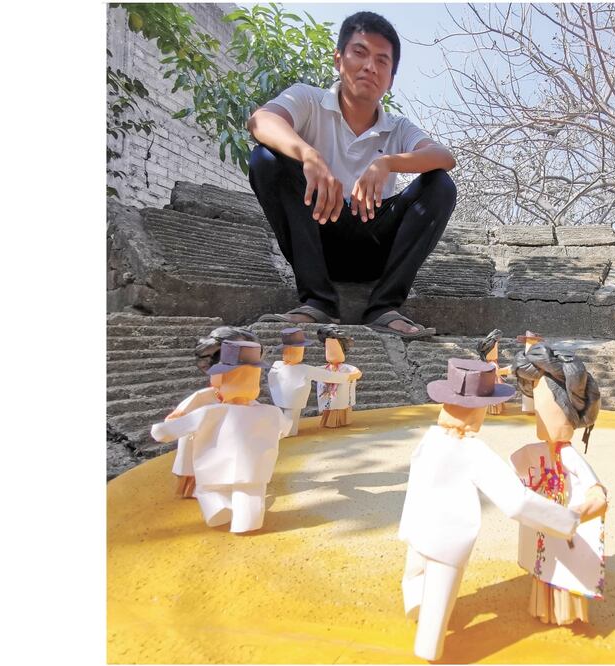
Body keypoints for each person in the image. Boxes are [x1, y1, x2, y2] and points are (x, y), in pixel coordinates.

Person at [246, 11, 456, 339]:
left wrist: (386, 163)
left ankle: (384, 307)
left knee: (440, 184)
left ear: (391, 78)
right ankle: (318, 301)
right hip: (316, 238)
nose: (370, 66)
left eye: (382, 60)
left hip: (375, 247)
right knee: (265, 157)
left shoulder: (398, 127)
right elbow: (260, 121)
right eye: (359, 52)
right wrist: (308, 155)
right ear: (339, 59)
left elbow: (444, 157)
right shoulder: (307, 99)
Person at [398, 358, 581, 660]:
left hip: (416, 524)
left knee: (416, 576)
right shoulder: (472, 450)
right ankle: (428, 647)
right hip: (448, 536)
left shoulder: (431, 438)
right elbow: (516, 501)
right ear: (477, 410)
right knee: (438, 597)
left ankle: (415, 604)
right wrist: (566, 521)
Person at [510, 343, 608, 625]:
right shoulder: (540, 451)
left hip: (564, 517)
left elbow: (597, 493)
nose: (538, 415)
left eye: (545, 409)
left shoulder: (569, 456)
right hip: (547, 518)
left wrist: (577, 514)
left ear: (567, 411)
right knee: (546, 561)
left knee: (562, 565)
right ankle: (545, 606)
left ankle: (565, 611)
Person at [151, 341, 292, 533]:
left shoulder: (211, 412)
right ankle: (247, 522)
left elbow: (171, 429)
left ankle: (220, 510)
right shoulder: (270, 412)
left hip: (215, 466)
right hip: (255, 467)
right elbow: (285, 428)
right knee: (250, 494)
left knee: (208, 490)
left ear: (221, 379)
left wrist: (161, 430)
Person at [164, 325, 259, 498]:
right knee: (199, 460)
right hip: (203, 441)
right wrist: (176, 421)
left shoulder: (247, 402)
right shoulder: (205, 398)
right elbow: (179, 416)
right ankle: (194, 489)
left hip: (229, 440)